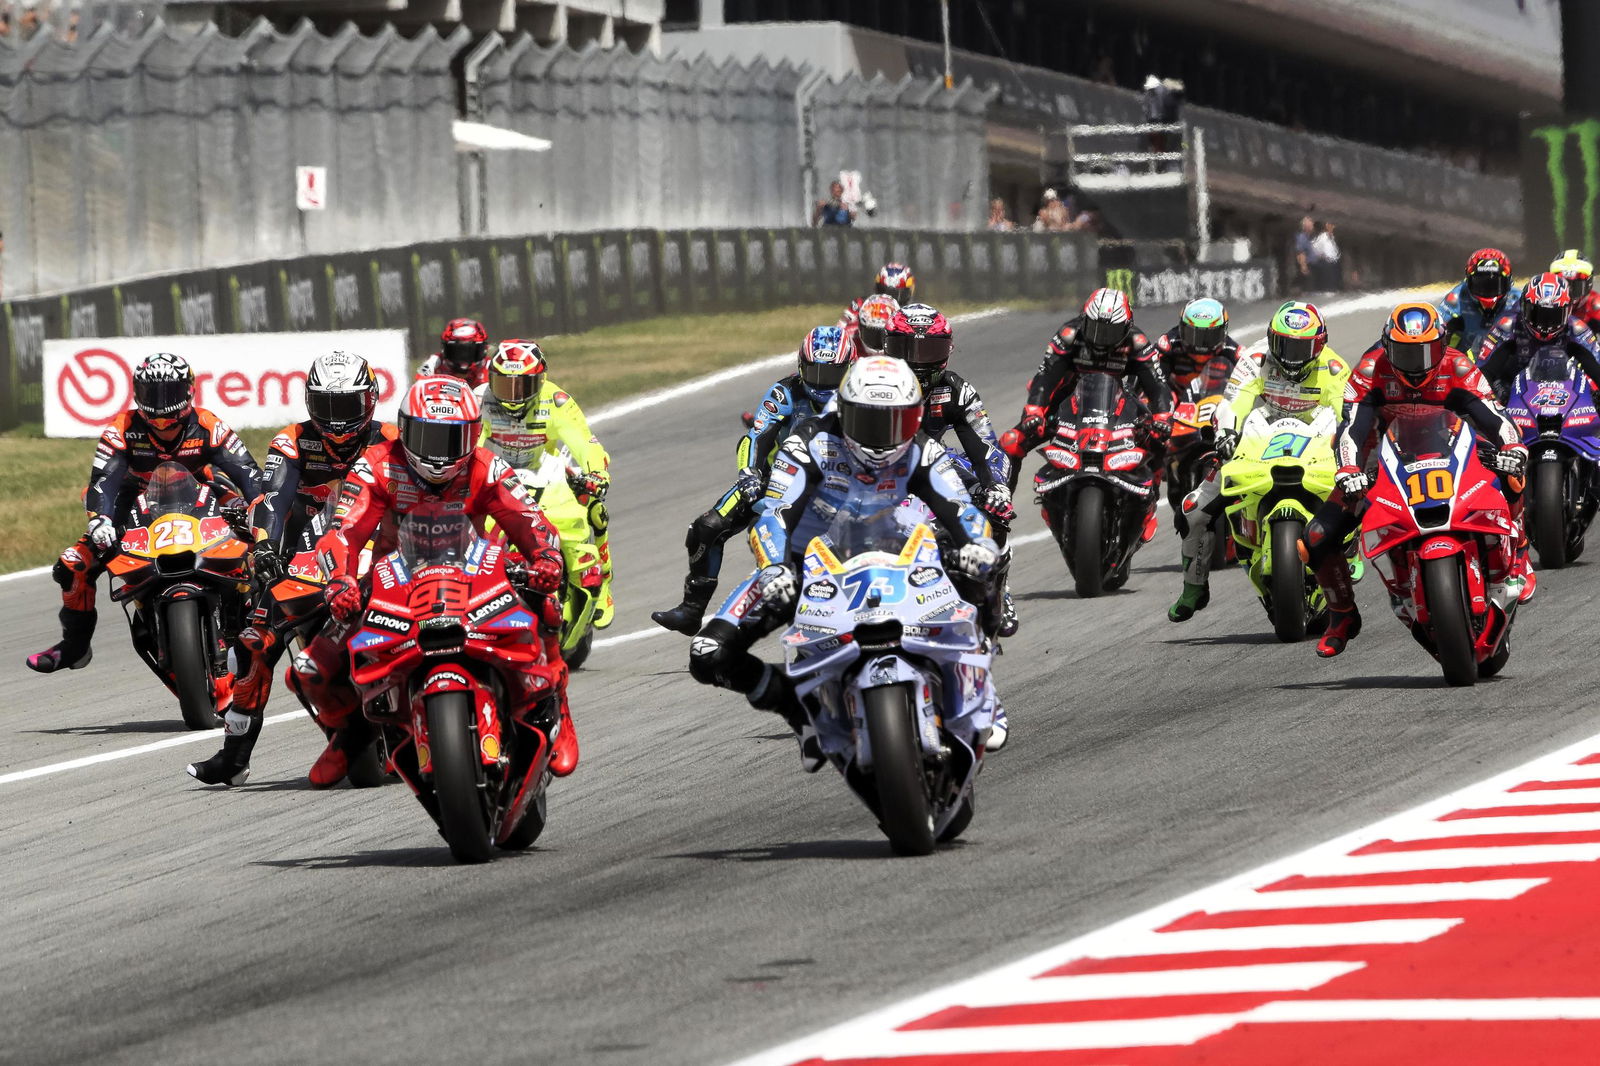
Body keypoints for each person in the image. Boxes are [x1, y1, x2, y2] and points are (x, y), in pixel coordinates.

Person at [686, 356, 1003, 764]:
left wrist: (978, 545)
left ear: (914, 417)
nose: (882, 437)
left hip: (903, 554)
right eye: (869, 422)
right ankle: (797, 710)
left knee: (981, 568)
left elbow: (962, 510)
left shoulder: (923, 447)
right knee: (708, 653)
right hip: (807, 563)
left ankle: (982, 693)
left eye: (895, 422)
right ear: (845, 410)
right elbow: (774, 514)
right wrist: (773, 566)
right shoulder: (809, 442)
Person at [289, 377, 571, 787]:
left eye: (451, 438)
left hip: (476, 572)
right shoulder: (376, 465)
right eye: (427, 436)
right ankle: (350, 737)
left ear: (473, 435)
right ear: (404, 429)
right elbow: (343, 531)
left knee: (545, 601)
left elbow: (531, 522)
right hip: (394, 579)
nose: (438, 454)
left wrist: (544, 557)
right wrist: (340, 580)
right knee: (309, 669)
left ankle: (556, 708)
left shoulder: (488, 467)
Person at [187, 352, 394, 787]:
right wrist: (264, 548)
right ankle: (234, 755)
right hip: (306, 556)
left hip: (378, 550)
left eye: (347, 406)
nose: (337, 421)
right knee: (253, 643)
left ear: (370, 400)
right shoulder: (292, 442)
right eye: (326, 406)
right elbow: (273, 500)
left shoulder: (392, 439)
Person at [1303, 301, 1528, 658]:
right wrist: (1349, 470)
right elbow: (1351, 429)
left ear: (1441, 344)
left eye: (1426, 351)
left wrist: (1513, 446)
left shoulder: (1457, 365)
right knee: (1316, 536)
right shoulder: (1369, 369)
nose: (1417, 363)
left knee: (1512, 470)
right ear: (1387, 346)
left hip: (1458, 449)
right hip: (1386, 459)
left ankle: (1519, 556)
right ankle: (1342, 615)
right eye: (1406, 352)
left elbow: (1493, 416)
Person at [27, 353, 263, 676]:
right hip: (137, 502)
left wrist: (256, 510)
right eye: (153, 395)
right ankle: (75, 646)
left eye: (171, 394)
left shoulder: (210, 426)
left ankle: (256, 617)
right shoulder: (120, 429)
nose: (162, 406)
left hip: (200, 493)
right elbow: (103, 481)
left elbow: (250, 474)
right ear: (138, 393)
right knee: (73, 565)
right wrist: (100, 520)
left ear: (189, 391)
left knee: (260, 539)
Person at [652, 327, 853, 634]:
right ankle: (691, 610)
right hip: (780, 476)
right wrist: (749, 473)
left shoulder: (858, 396)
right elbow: (756, 436)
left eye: (831, 373)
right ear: (801, 366)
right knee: (706, 528)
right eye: (815, 371)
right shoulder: (784, 392)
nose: (821, 381)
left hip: (840, 481)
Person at [1168, 302, 1348, 621]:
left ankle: (1351, 550)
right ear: (1270, 339)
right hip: (1263, 438)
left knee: (1362, 488)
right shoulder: (1256, 358)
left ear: (1319, 345)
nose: (1291, 356)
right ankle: (1194, 587)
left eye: (1302, 346)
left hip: (1316, 442)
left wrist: (1346, 452)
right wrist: (1226, 433)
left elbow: (1346, 417)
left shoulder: (1334, 369)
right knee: (1193, 510)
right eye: (1284, 345)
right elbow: (1233, 402)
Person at [884, 304, 1017, 636]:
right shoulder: (868, 382)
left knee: (996, 508)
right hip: (877, 470)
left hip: (937, 465)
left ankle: (998, 585)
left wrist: (997, 489)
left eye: (929, 349)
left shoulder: (956, 390)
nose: (918, 360)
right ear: (889, 347)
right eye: (907, 348)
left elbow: (987, 447)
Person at [478, 339, 615, 627]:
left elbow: (585, 442)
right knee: (477, 533)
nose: (513, 396)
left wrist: (597, 474)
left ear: (540, 381)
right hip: (495, 472)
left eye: (522, 386)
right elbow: (470, 445)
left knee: (580, 517)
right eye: (505, 385)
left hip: (544, 469)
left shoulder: (556, 401)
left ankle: (598, 583)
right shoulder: (480, 399)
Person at [999, 287, 1174, 507]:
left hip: (1120, 404)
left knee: (1160, 437)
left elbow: (1157, 384)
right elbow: (1046, 376)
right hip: (1068, 402)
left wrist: (1163, 417)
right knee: (1011, 442)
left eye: (1110, 332)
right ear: (1084, 320)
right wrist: (1034, 411)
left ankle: (1151, 496)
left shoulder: (1137, 342)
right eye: (1095, 328)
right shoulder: (1069, 335)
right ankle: (1000, 506)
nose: (1101, 338)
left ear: (1126, 328)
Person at [1437, 248, 1521, 355]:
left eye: (1495, 284)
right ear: (1468, 282)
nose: (1488, 289)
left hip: (1501, 363)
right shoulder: (1456, 298)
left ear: (1508, 282)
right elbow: (1437, 328)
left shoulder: (1518, 301)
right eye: (1482, 284)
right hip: (1463, 361)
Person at [1155, 297, 1243, 396]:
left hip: (1215, 402)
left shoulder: (1233, 351)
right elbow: (1151, 380)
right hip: (1175, 401)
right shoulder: (1169, 344)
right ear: (1181, 329)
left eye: (1209, 336)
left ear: (1223, 332)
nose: (1200, 345)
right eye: (1192, 334)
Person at [417, 317, 492, 388]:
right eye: (458, 351)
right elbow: (419, 386)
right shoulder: (435, 363)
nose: (464, 357)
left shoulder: (491, 367)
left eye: (470, 351)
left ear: (483, 349)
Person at [1549, 249, 1600, 332]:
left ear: (1589, 284)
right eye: (1563, 286)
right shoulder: (1542, 303)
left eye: (1576, 287)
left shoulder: (1595, 305)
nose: (1569, 293)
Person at [843, 293, 900, 360]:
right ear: (860, 328)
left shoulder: (906, 345)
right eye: (871, 333)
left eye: (884, 335)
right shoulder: (848, 340)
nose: (877, 341)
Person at [1311, 222, 1342, 291]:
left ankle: (1331, 289)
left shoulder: (1329, 237)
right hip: (1327, 262)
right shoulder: (1322, 237)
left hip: (1332, 261)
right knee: (1328, 279)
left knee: (1332, 279)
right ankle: (1328, 290)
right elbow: (1315, 249)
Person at [1293, 216, 1319, 283]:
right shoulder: (1302, 238)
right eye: (1309, 225)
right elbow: (1301, 252)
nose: (1311, 227)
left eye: (1311, 225)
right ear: (1304, 227)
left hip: (1314, 265)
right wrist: (1304, 266)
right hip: (1308, 266)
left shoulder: (1310, 237)